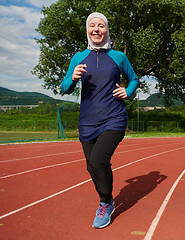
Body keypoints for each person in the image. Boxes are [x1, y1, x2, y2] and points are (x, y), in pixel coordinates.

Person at [61, 12, 139, 228]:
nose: (96, 29)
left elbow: (134, 79)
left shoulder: (118, 57)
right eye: (92, 25)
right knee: (91, 166)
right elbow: (64, 87)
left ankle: (105, 202)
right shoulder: (78, 58)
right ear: (87, 30)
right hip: (87, 120)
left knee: (98, 161)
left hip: (113, 117)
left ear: (107, 30)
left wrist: (128, 91)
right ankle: (107, 197)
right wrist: (73, 77)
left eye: (101, 26)